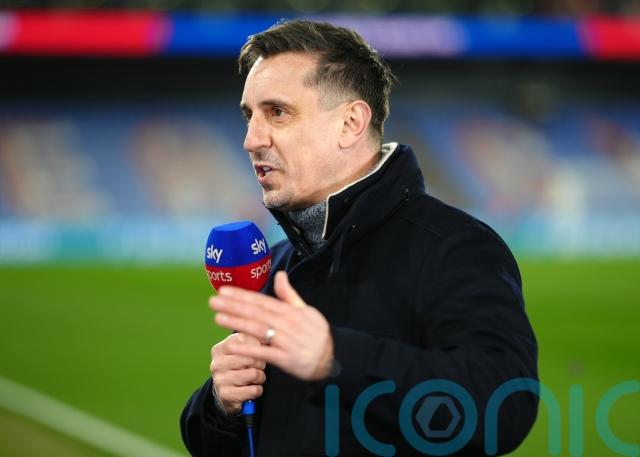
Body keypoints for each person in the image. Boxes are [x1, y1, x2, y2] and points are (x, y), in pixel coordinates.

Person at [180, 19, 538, 457]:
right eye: (248, 116)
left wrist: (336, 358)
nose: (251, 140)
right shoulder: (276, 264)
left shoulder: (454, 247)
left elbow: (505, 408)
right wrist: (221, 406)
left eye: (277, 113)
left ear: (351, 123)